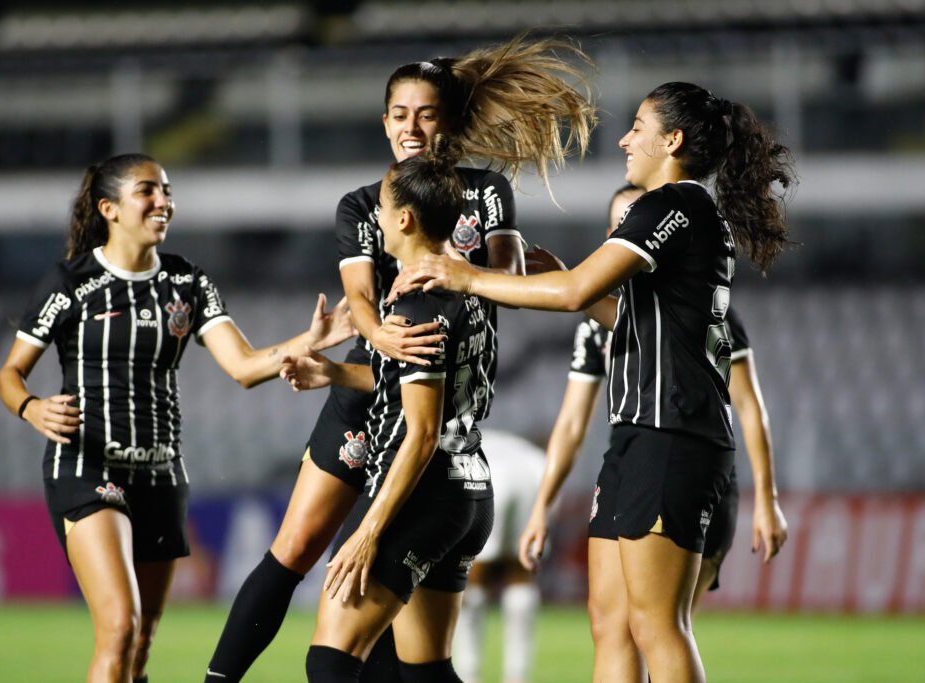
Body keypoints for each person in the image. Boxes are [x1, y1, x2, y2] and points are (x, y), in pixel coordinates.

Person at [205, 33, 597, 682]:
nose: (412, 126)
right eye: (400, 114)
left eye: (426, 112)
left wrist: (497, 275)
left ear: (447, 120)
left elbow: (508, 281)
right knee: (299, 547)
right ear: (384, 122)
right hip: (372, 387)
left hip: (429, 388)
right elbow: (359, 299)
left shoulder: (486, 194)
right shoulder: (364, 205)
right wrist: (376, 337)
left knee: (371, 604)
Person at [392, 82, 795, 682]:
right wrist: (569, 289)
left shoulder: (673, 205)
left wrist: (464, 275)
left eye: (639, 125)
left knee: (657, 626)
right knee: (610, 623)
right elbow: (618, 312)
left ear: (673, 140)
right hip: (640, 438)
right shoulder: (688, 213)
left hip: (671, 435)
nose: (627, 138)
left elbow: (576, 289)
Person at [0, 153, 354, 683]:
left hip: (161, 475)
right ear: (109, 208)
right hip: (88, 468)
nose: (163, 201)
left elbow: (245, 367)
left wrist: (314, 340)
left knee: (139, 646)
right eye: (148, 191)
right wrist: (31, 407)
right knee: (118, 628)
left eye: (166, 191)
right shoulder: (70, 281)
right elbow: (9, 374)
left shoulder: (187, 281)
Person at [517, 184, 788, 681]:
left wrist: (767, 498)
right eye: (621, 226)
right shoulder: (597, 324)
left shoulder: (703, 308)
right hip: (634, 455)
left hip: (683, 460)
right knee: (615, 627)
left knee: (658, 626)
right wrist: (541, 505)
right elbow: (572, 422)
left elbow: (749, 406)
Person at [280, 135, 492, 682]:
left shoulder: (418, 303)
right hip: (467, 485)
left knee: (329, 662)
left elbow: (420, 432)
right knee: (426, 673)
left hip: (415, 495)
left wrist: (370, 529)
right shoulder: (471, 289)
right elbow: (426, 388)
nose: (374, 213)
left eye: (382, 205)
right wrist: (331, 372)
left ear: (403, 221)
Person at [452, 429, 545, 683]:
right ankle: (517, 674)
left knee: (473, 574)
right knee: (521, 571)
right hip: (533, 468)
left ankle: (468, 673)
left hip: (484, 468)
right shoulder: (525, 446)